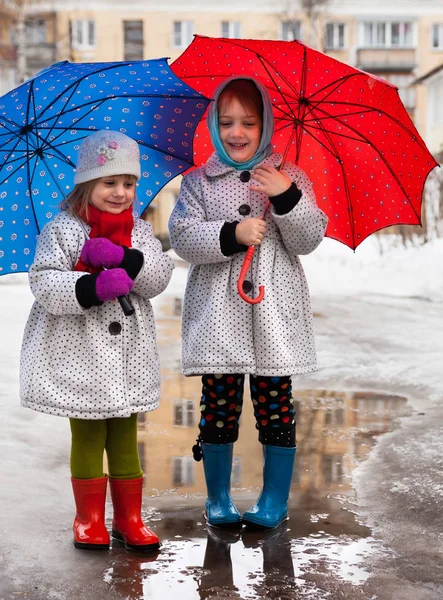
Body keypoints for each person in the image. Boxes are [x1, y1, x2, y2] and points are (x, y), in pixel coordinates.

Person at [168, 77, 328, 529]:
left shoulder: (291, 176)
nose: (237, 132)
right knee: (218, 407)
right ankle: (217, 497)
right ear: (215, 126)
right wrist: (230, 234)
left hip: (272, 319)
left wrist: (284, 194)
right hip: (219, 318)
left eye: (249, 123)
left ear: (267, 125)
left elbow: (308, 238)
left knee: (275, 406)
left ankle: (273, 499)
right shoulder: (200, 181)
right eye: (227, 122)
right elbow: (182, 237)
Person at [20, 130, 174, 551]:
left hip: (127, 359)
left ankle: (129, 518)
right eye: (110, 182)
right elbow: (45, 282)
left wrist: (127, 259)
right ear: (87, 183)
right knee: (88, 436)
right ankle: (88, 519)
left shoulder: (140, 232)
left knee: (125, 436)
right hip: (79, 354)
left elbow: (159, 278)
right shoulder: (64, 230)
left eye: (129, 183)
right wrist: (91, 288)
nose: (121, 192)